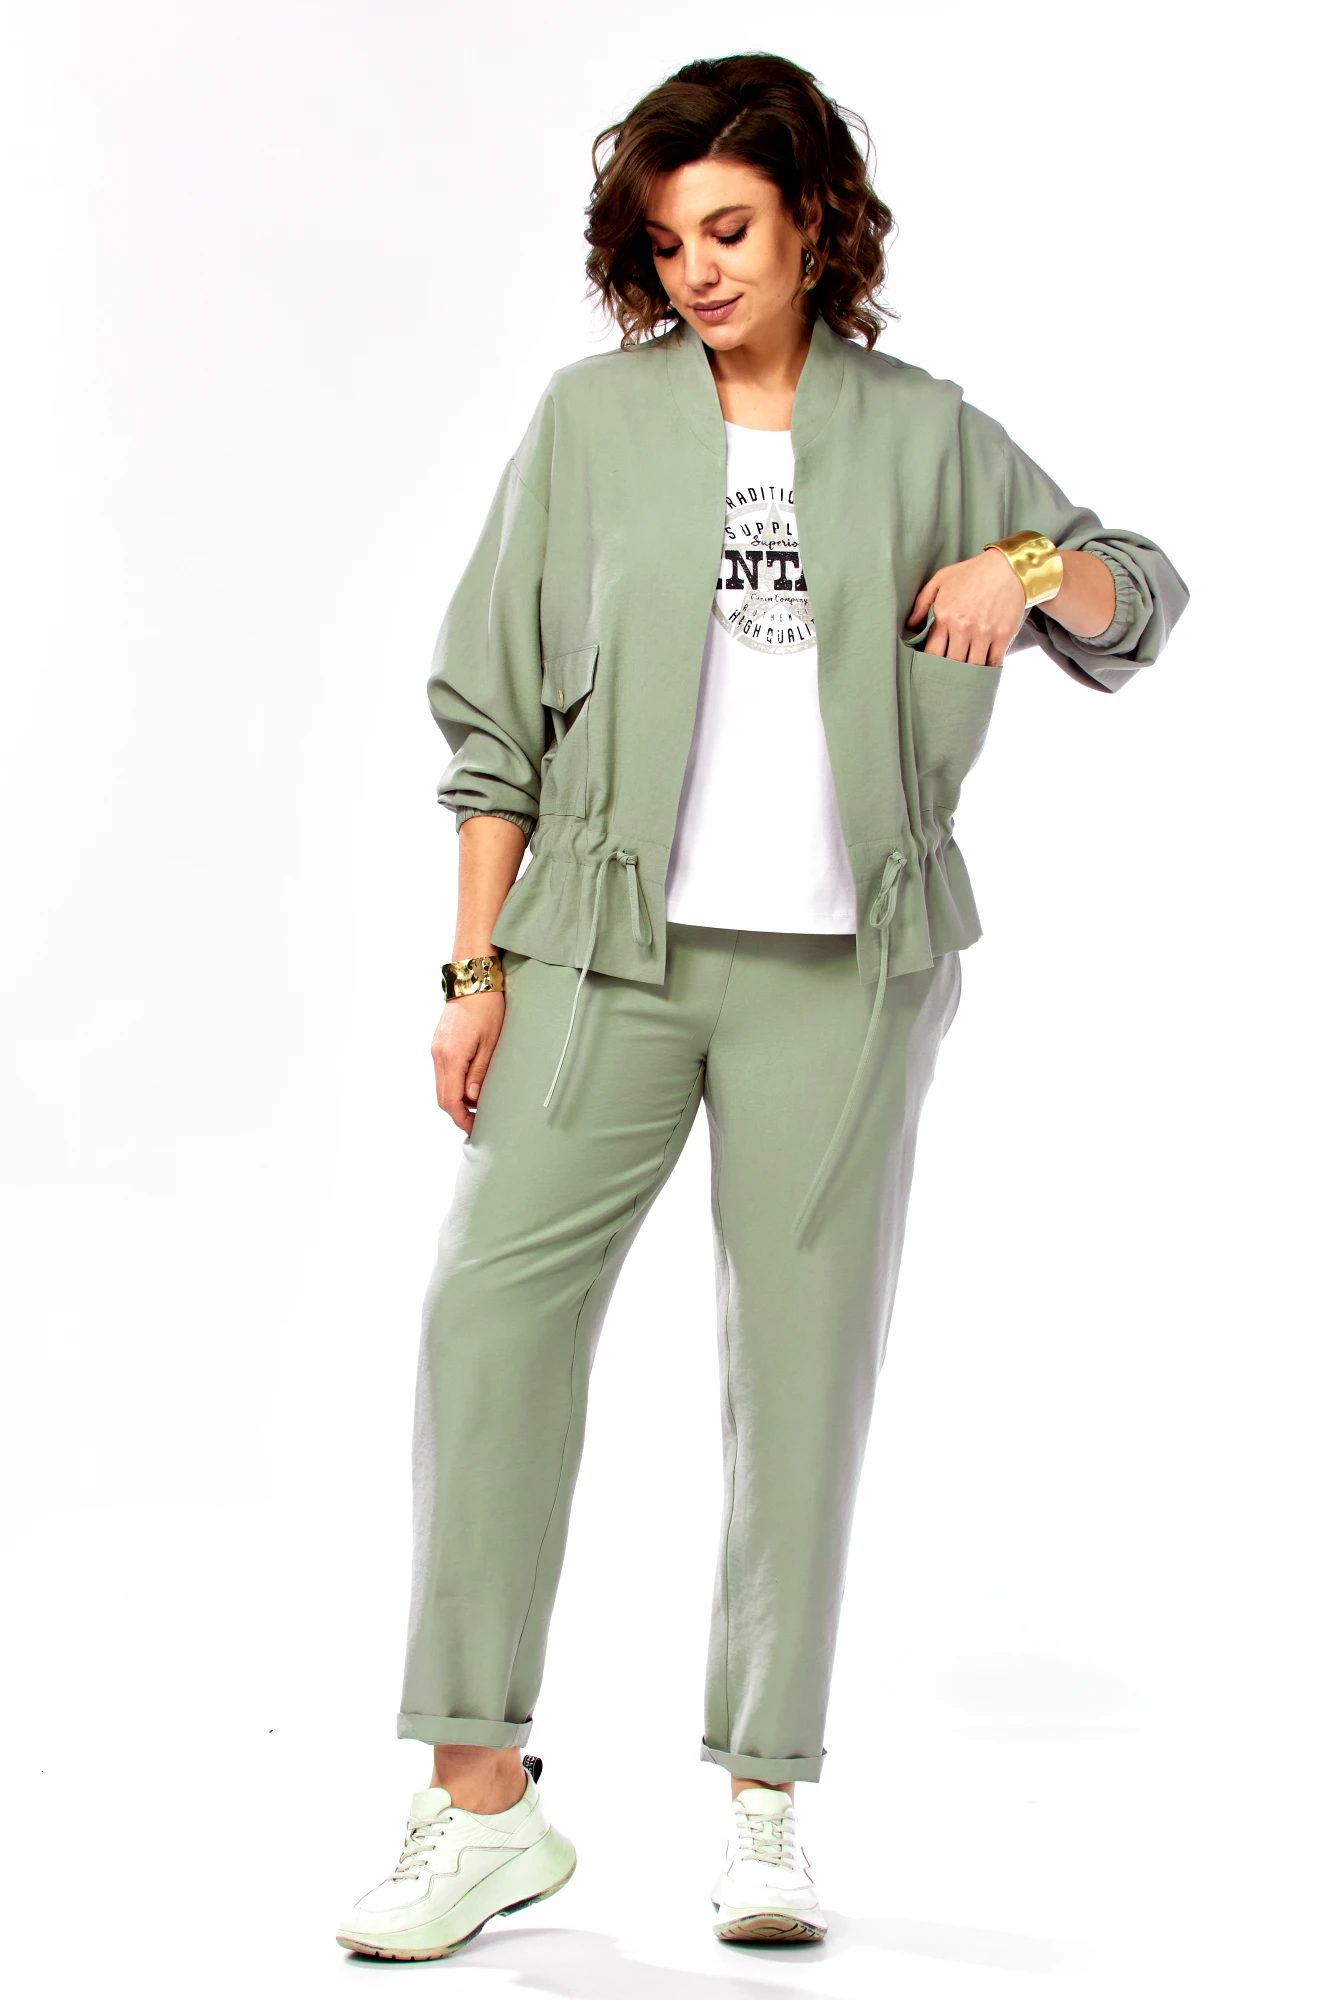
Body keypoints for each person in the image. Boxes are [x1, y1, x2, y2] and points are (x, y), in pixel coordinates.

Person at [335, 51, 1188, 1962]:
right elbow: (490, 719)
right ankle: (479, 1803)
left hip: (843, 974)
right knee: (487, 1320)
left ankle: (766, 1807)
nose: (701, 270)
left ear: (814, 220)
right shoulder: (589, 424)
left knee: (801, 1375)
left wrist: (1027, 568)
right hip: (597, 956)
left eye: (729, 228)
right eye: (666, 243)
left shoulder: (925, 430)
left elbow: (1142, 593)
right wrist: (472, 972)